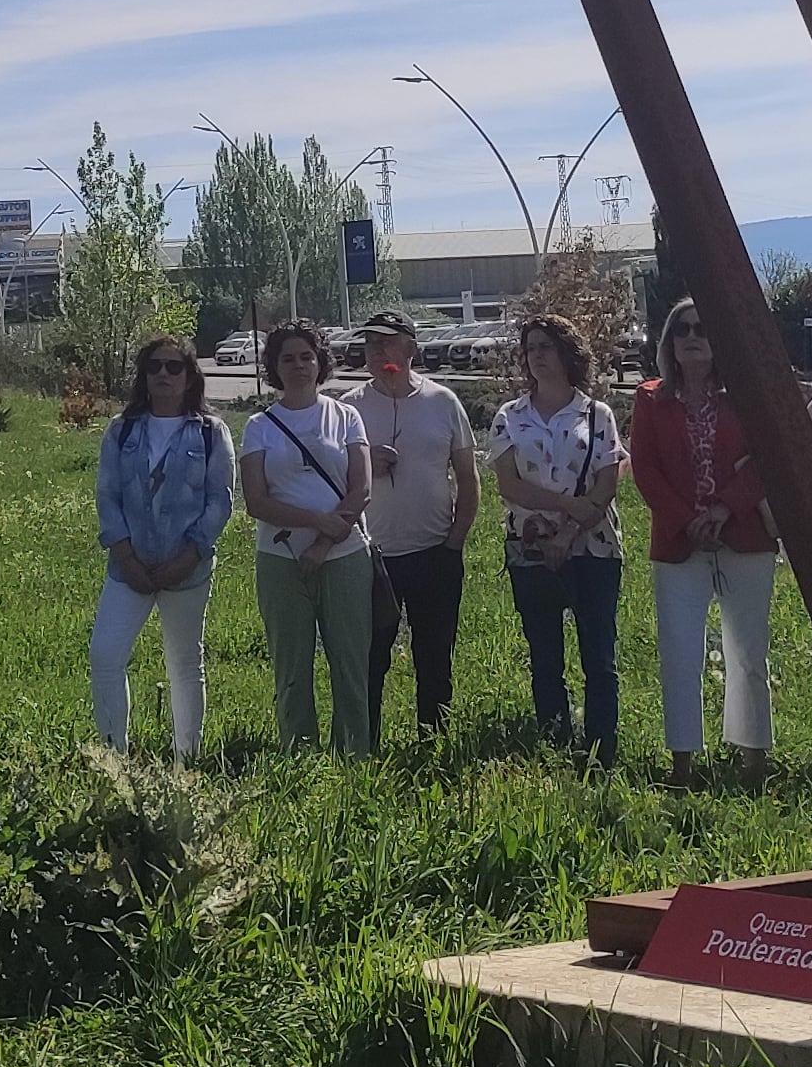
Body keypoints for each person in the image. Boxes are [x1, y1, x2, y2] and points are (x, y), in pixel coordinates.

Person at [631, 300, 779, 785]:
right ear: (670, 343)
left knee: (748, 651)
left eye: (703, 329)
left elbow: (766, 459)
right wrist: (686, 519)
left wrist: (724, 509)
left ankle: (754, 755)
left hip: (744, 539)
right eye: (683, 330)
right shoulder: (650, 400)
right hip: (680, 545)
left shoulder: (745, 396)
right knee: (680, 651)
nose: (693, 336)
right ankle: (683, 763)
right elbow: (645, 470)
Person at [492, 313, 630, 758]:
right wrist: (567, 506)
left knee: (599, 656)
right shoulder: (509, 416)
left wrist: (569, 529)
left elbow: (606, 484)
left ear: (568, 353)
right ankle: (554, 742)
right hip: (530, 549)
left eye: (546, 346)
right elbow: (509, 485)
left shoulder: (597, 413)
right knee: (545, 655)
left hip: (594, 547)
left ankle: (601, 750)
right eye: (530, 348)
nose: (537, 356)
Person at [92, 336, 233, 758]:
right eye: (155, 367)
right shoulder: (122, 429)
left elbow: (220, 500)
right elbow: (107, 495)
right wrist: (125, 556)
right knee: (105, 655)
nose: (164, 375)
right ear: (144, 376)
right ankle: (113, 755)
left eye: (175, 367)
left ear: (190, 376)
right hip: (128, 569)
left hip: (186, 569)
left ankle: (186, 758)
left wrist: (189, 555)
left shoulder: (211, 432)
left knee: (185, 664)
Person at [243, 320, 380, 753]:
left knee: (351, 663)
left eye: (307, 357)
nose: (299, 366)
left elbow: (361, 488)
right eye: (288, 358)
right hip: (280, 559)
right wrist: (317, 521)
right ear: (274, 367)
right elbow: (257, 501)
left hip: (344, 556)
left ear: (321, 362)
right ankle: (298, 754)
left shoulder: (346, 416)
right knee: (292, 666)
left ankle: (354, 754)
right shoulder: (259, 426)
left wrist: (325, 542)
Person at [354, 307, 478, 736]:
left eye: (386, 341)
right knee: (370, 657)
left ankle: (434, 741)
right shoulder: (350, 408)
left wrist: (455, 542)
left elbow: (468, 476)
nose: (376, 350)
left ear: (410, 348)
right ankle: (364, 744)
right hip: (371, 557)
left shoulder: (442, 402)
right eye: (370, 343)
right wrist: (368, 462)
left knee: (434, 657)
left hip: (434, 552)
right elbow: (334, 479)